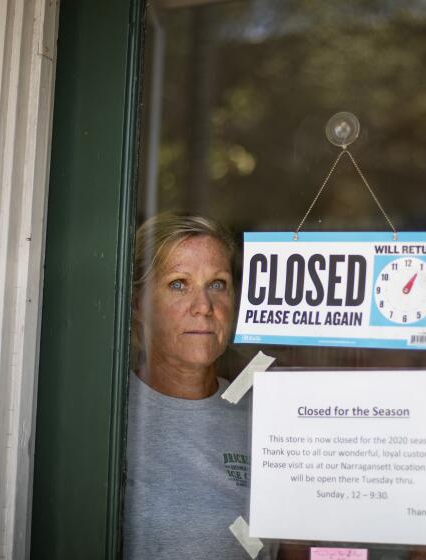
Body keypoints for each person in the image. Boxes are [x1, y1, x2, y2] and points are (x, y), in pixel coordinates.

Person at [123, 213, 260, 559]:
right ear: (138, 304)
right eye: (178, 283)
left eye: (217, 284)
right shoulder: (111, 412)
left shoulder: (262, 415)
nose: (204, 307)